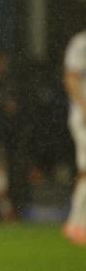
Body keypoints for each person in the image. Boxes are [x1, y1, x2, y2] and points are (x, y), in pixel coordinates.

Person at [63, 30, 86, 245]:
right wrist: (83, 107)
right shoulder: (81, 43)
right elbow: (71, 78)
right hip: (84, 118)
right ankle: (77, 223)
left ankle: (76, 222)